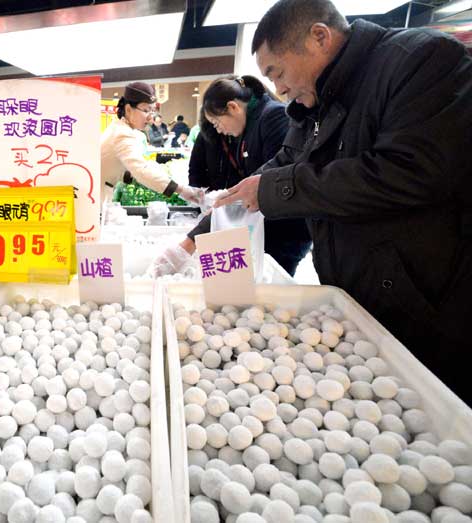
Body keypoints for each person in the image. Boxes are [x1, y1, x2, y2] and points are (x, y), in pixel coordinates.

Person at [215, 0, 472, 403]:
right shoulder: (318, 99)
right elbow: (282, 163)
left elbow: (406, 172)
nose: (279, 91)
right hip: (360, 299)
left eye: (277, 73)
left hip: (427, 308)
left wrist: (272, 190)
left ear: (319, 37)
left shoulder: (422, 60)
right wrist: (201, 231)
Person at [152, 75, 312, 276]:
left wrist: (192, 240)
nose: (220, 131)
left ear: (233, 108)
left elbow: (262, 183)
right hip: (263, 226)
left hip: (284, 232)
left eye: (217, 123)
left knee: (271, 289)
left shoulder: (273, 117)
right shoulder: (248, 128)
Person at [100, 82, 203, 205]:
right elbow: (142, 170)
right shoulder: (122, 134)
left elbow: (118, 165)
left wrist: (132, 177)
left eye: (152, 111)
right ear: (128, 109)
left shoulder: (120, 128)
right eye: (146, 110)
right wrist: (181, 190)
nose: (150, 118)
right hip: (96, 196)